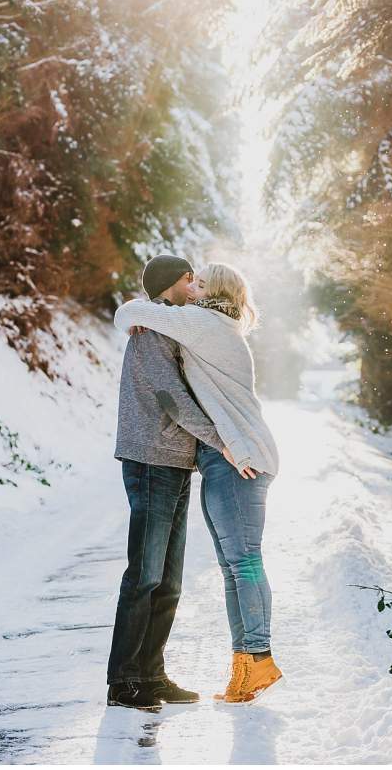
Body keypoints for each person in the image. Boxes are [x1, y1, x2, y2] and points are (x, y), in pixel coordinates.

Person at [114, 261, 282, 705]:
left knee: (189, 576)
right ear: (174, 285)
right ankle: (127, 679)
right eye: (189, 278)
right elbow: (170, 395)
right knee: (154, 574)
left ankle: (159, 674)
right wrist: (217, 441)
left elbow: (132, 313)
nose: (193, 285)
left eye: (199, 280)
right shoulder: (175, 326)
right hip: (167, 457)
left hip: (205, 458)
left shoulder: (197, 324)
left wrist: (219, 444)